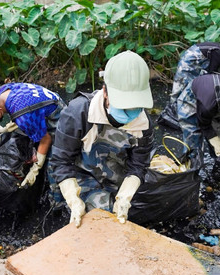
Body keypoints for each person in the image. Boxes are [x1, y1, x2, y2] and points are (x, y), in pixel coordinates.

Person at [49, 50, 154, 228]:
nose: (130, 112)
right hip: (81, 172)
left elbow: (139, 165)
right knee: (86, 214)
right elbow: (61, 160)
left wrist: (125, 196)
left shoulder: (143, 124)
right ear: (105, 92)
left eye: (135, 106)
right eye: (123, 105)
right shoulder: (78, 113)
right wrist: (73, 198)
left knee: (127, 215)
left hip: (115, 173)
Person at [0, 83, 66, 188]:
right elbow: (26, 109)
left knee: (55, 172)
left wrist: (35, 169)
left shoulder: (23, 116)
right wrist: (8, 127)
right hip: (46, 105)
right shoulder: (2, 91)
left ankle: (59, 199)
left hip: (60, 120)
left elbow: (46, 139)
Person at [170, 40, 220, 104]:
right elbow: (212, 72)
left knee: (185, 87)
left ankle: (175, 106)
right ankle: (172, 109)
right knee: (181, 87)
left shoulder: (219, 47)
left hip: (191, 62)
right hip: (188, 65)